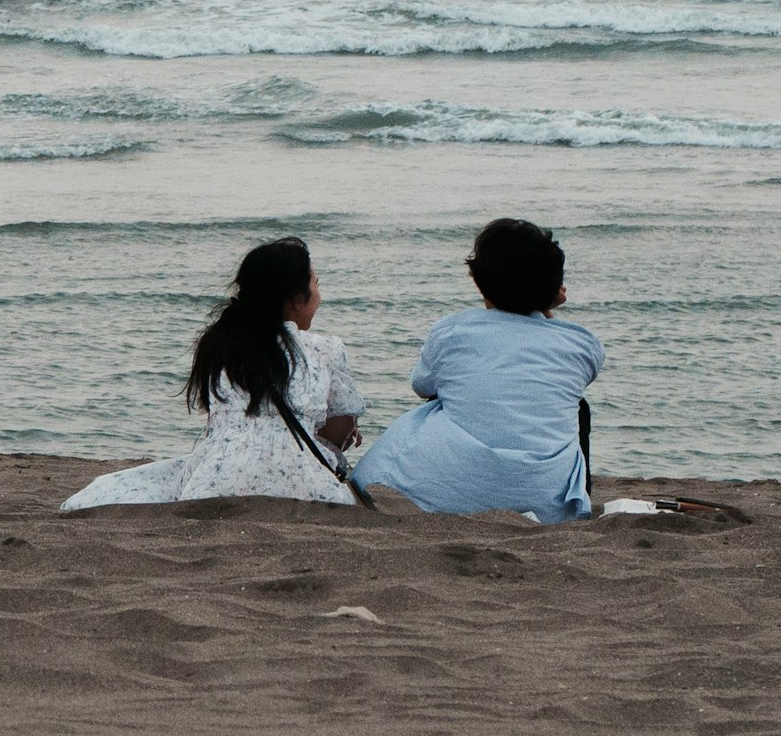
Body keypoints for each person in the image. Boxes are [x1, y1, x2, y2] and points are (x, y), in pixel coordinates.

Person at [61, 237, 367, 511]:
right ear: (297, 299)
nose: (319, 295)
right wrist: (342, 436)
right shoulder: (325, 349)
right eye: (317, 284)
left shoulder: (222, 344)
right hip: (304, 482)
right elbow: (339, 430)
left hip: (217, 479)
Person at [345, 218, 603, 522]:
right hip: (547, 499)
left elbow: (422, 386)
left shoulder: (452, 331)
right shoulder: (582, 344)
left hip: (450, 491)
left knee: (431, 407)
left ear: (479, 281)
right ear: (555, 291)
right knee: (576, 407)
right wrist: (544, 308)